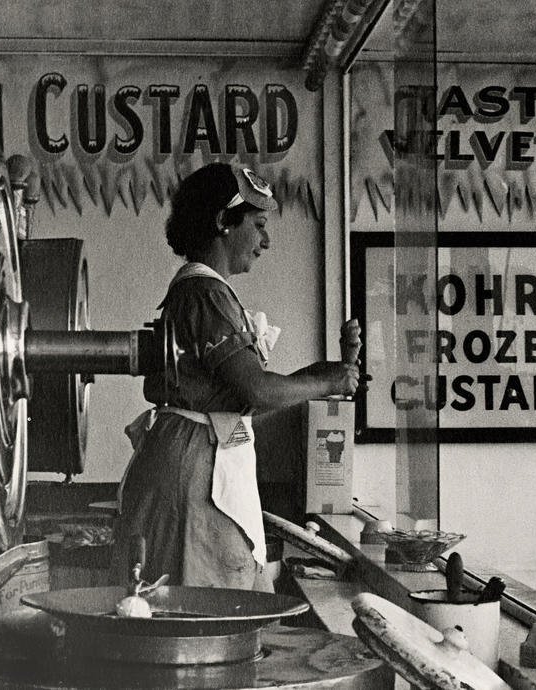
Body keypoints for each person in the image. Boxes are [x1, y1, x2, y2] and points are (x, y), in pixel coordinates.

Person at [108, 164, 363, 591]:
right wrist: (329, 384)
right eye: (258, 225)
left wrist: (324, 374)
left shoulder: (202, 291)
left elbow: (237, 399)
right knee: (198, 603)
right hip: (195, 472)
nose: (266, 241)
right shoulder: (206, 293)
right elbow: (256, 390)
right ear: (223, 221)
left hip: (196, 456)